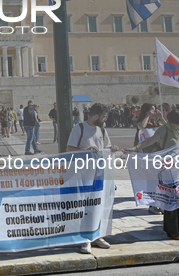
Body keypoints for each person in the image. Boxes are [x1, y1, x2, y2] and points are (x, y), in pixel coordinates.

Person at [124, 110, 179, 241]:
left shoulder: (176, 131)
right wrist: (135, 148)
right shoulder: (164, 130)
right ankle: (172, 230)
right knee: (171, 199)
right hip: (167, 169)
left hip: (177, 168)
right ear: (177, 121)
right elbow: (149, 141)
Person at [66, 103, 118, 254]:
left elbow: (107, 147)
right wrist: (86, 150)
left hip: (100, 174)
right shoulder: (79, 129)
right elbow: (69, 149)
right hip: (83, 175)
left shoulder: (102, 129)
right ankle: (84, 239)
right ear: (96, 116)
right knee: (86, 207)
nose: (105, 119)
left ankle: (97, 235)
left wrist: (113, 148)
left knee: (99, 206)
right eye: (103, 116)